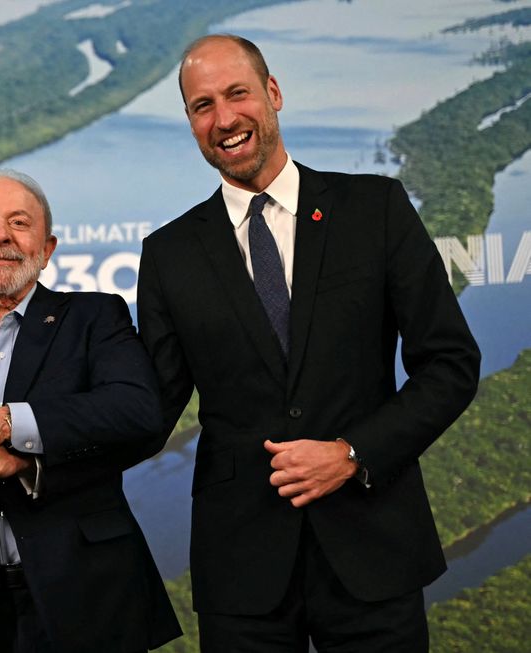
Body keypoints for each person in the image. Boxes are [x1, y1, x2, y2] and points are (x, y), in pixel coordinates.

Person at [137, 35, 480, 652]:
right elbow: (147, 411)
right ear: (191, 123)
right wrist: (31, 448)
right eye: (202, 105)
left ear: (273, 93)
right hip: (242, 573)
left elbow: (451, 364)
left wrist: (353, 452)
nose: (224, 119)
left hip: (374, 550)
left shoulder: (376, 207)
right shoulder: (168, 255)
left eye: (237, 94)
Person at [0, 170, 181, 653]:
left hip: (89, 593)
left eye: (19, 222)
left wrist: (5, 423)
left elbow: (137, 409)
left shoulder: (95, 317)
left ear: (47, 249)